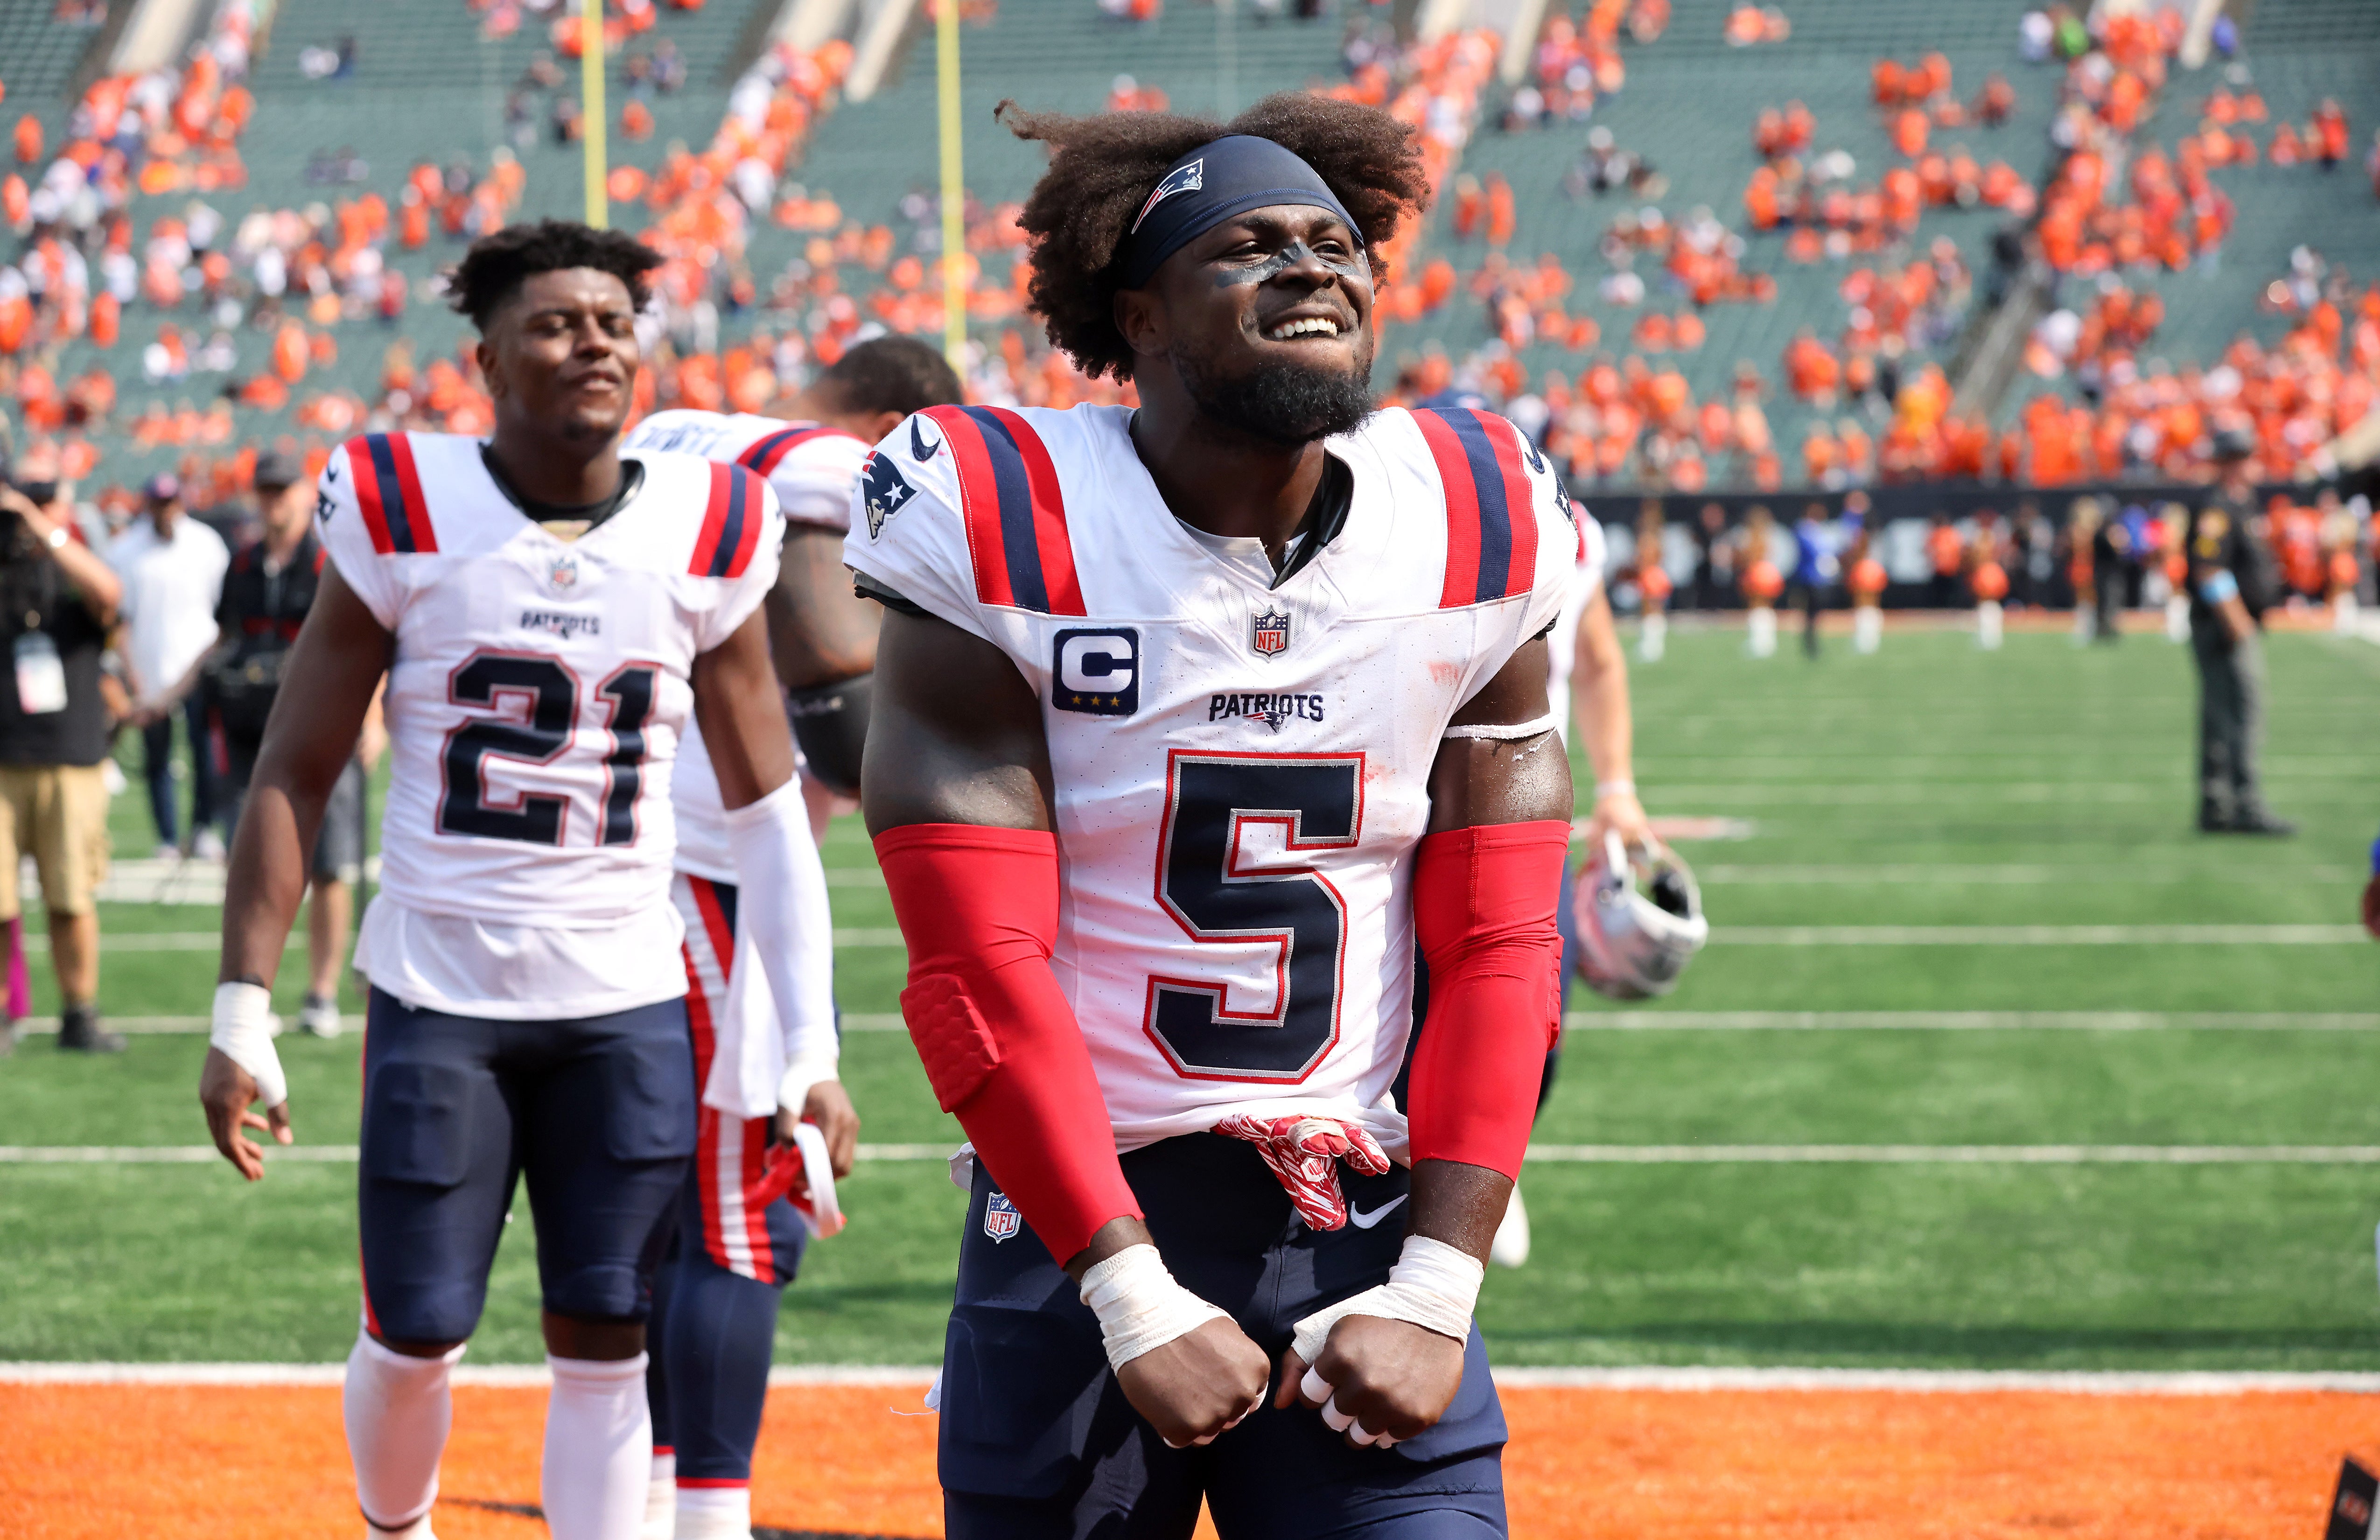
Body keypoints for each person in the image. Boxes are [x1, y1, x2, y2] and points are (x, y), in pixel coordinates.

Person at [850, 98, 1575, 1530]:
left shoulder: (1475, 509)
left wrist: (1436, 1285)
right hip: (1077, 1210)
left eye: (1334, 243)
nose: (1314, 268)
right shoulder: (1008, 511)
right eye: (1250, 247)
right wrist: (1121, 1285)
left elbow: (1503, 940)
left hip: (1352, 1212)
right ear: (1143, 315)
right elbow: (970, 965)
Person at [196, 220, 828, 1540]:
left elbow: (771, 813)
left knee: (607, 1331)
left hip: (625, 994)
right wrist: (241, 1013)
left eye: (613, 320)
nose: (593, 340)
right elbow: (293, 770)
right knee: (418, 1327)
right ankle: (397, 1528)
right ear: (484, 359)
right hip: (441, 984)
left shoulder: (708, 520)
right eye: (555, 322)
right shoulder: (402, 500)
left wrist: (806, 1053)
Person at [618, 334, 963, 1540]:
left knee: (655, 1219)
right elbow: (832, 683)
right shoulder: (831, 465)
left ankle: (654, 1497)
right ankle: (702, 1516)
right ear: (894, 422)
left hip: (608, 856)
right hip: (706, 863)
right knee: (743, 1219)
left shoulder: (662, 434)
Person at [198, 450, 383, 1037]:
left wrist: (372, 718)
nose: (274, 501)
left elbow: (369, 642)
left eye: (283, 490)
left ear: (304, 493)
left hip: (327, 722)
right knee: (253, 857)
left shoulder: (332, 559)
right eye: (266, 491)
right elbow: (224, 637)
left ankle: (323, 991)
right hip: (254, 724)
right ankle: (257, 995)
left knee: (330, 864)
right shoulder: (244, 563)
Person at [0, 462, 125, 1055]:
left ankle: (80, 1011)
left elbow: (108, 594)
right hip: (3, 756)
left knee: (71, 896)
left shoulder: (70, 561)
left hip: (68, 756)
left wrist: (42, 528)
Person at [113, 472, 230, 860]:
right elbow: (120, 621)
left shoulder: (205, 545)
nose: (166, 510)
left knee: (205, 756)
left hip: (197, 669)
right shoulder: (126, 551)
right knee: (157, 758)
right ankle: (167, 836)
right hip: (150, 671)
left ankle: (201, 829)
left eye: (171, 501)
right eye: (159, 502)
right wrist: (131, 673)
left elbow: (222, 611)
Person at [2187, 430, 2292, 834]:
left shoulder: (2240, 503)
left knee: (2222, 713)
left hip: (2230, 623)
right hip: (2222, 627)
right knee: (2240, 710)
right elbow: (2209, 568)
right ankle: (2243, 804)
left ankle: (2218, 803)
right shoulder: (2218, 508)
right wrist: (2237, 621)